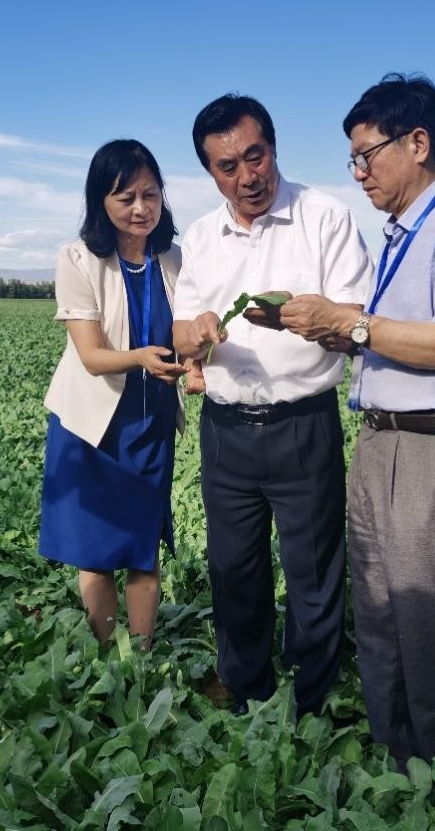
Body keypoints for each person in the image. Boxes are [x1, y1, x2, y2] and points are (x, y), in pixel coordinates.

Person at [278, 73, 435, 790]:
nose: (358, 173)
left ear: (418, 143)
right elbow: (385, 337)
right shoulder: (394, 237)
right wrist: (321, 324)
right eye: (351, 159)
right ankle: (395, 764)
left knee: (432, 624)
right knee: (380, 610)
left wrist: (348, 323)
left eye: (367, 154)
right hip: (380, 438)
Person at [171, 94, 371, 718]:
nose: (246, 176)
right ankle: (245, 681)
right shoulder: (202, 237)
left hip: (302, 423)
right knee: (235, 568)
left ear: (273, 148)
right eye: (227, 166)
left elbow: (360, 322)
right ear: (211, 173)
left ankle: (312, 694)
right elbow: (178, 334)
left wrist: (307, 321)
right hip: (226, 427)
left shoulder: (325, 217)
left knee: (314, 570)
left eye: (254, 156)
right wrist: (199, 328)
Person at [39, 139, 185, 650]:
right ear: (101, 200)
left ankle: (140, 657)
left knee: (144, 549)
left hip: (151, 425)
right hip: (91, 426)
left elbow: (185, 337)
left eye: (151, 194)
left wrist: (192, 361)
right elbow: (92, 356)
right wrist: (144, 357)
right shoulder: (77, 259)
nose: (141, 208)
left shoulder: (173, 259)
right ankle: (105, 653)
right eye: (126, 198)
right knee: (96, 552)